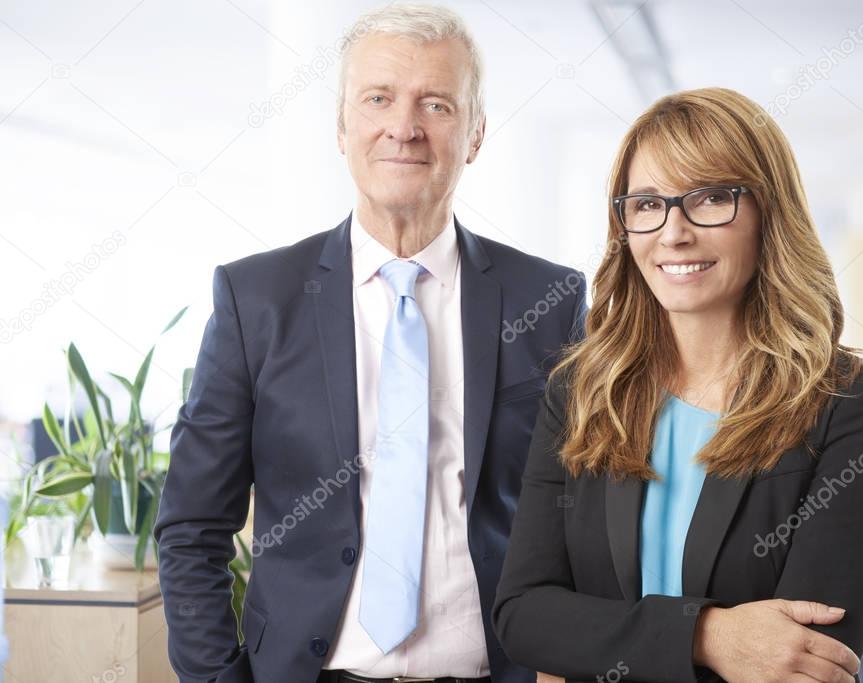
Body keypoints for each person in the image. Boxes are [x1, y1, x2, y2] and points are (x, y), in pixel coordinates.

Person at [154, 5, 585, 683]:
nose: (404, 127)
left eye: (435, 104)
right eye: (377, 98)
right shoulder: (256, 299)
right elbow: (190, 527)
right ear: (341, 125)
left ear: (473, 134)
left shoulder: (549, 302)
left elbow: (583, 519)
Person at [492, 87, 863, 683]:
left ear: (768, 213)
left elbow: (808, 659)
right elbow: (524, 614)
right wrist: (709, 636)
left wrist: (593, 641)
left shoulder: (842, 399)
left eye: (711, 199)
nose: (673, 232)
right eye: (647, 203)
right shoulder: (582, 390)